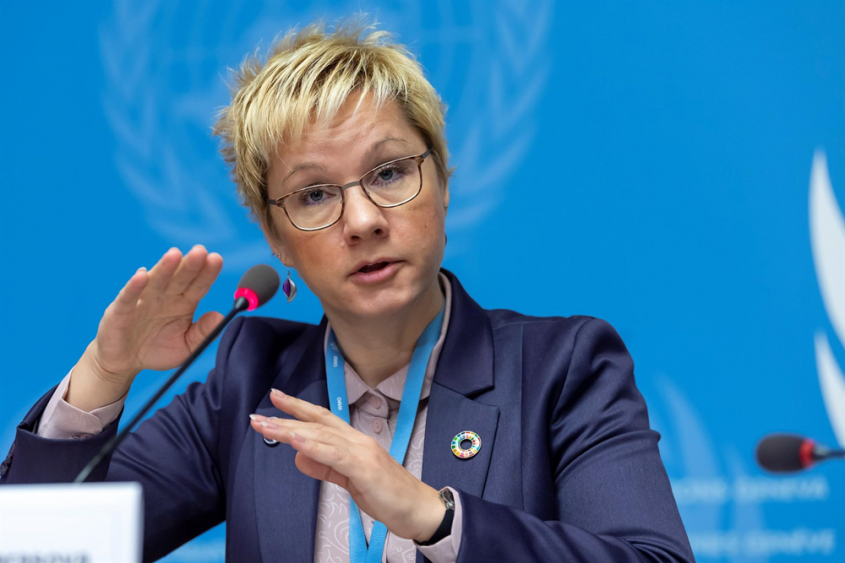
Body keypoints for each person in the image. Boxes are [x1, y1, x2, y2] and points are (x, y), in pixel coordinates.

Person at [0, 19, 694, 563]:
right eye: (314, 195)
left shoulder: (560, 369)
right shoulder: (252, 384)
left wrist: (433, 517)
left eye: (389, 173)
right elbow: (36, 551)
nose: (362, 220)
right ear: (276, 239)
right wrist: (104, 372)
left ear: (443, 182)